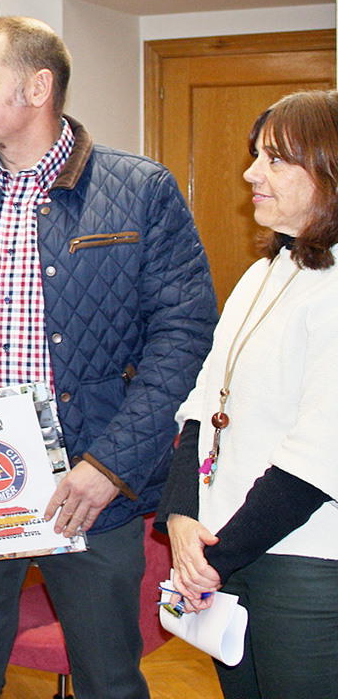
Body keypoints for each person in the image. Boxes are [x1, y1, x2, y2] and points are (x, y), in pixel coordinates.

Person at [0, 16, 218, 699]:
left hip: (88, 489)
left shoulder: (140, 190)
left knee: (109, 681)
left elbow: (182, 339)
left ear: (38, 86)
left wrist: (110, 466)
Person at [157, 90, 338, 699]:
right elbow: (202, 404)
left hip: (305, 563)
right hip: (228, 550)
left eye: (275, 160)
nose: (250, 174)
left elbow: (319, 454)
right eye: (254, 155)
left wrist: (213, 555)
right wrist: (183, 519)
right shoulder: (265, 271)